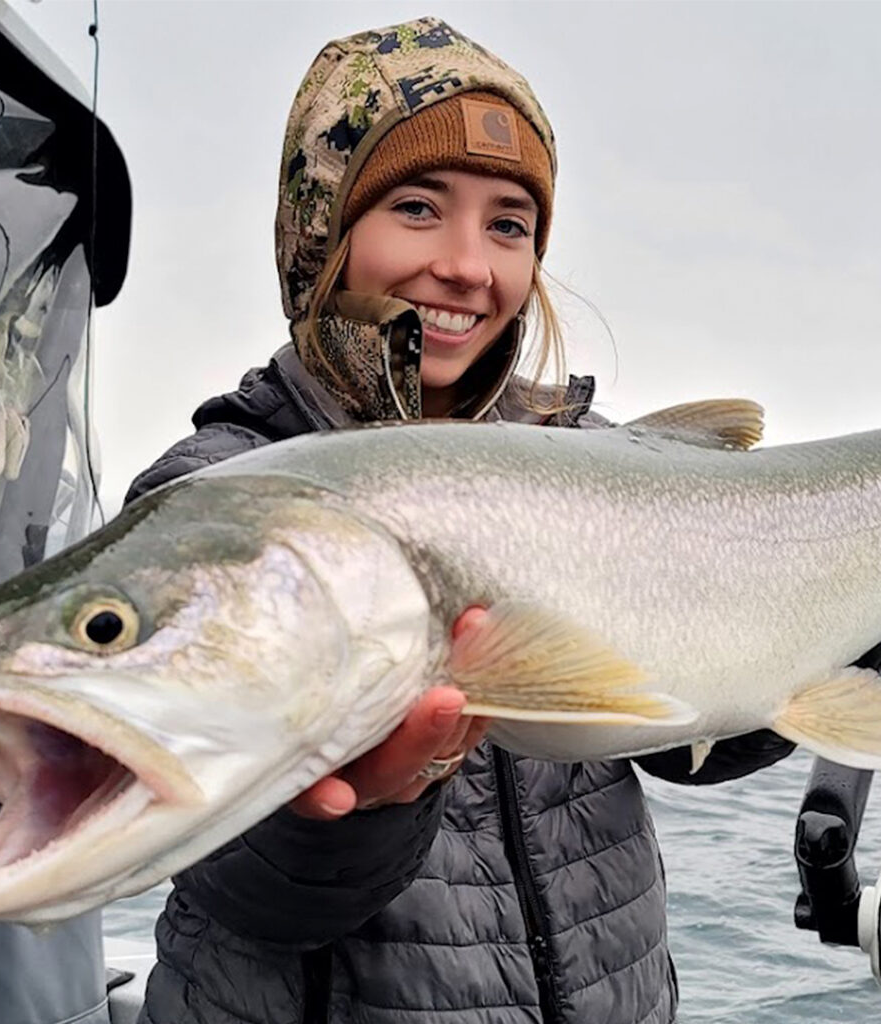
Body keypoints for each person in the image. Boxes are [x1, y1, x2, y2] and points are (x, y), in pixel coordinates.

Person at [127, 17, 793, 1024]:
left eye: (508, 225)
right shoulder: (216, 499)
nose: (465, 265)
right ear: (320, 226)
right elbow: (250, 887)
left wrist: (840, 633)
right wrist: (369, 797)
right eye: (416, 207)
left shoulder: (591, 459)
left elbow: (694, 728)